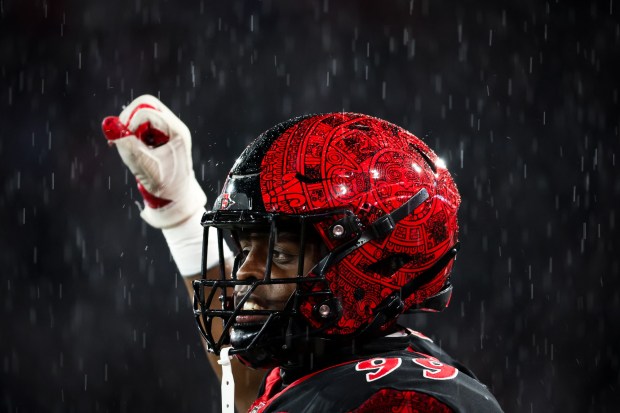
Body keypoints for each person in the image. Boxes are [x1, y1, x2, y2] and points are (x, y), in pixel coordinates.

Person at [102, 95, 503, 413]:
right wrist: (181, 214)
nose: (244, 272)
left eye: (279, 256)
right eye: (245, 248)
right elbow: (255, 392)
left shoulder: (404, 404)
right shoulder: (341, 366)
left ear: (368, 266)